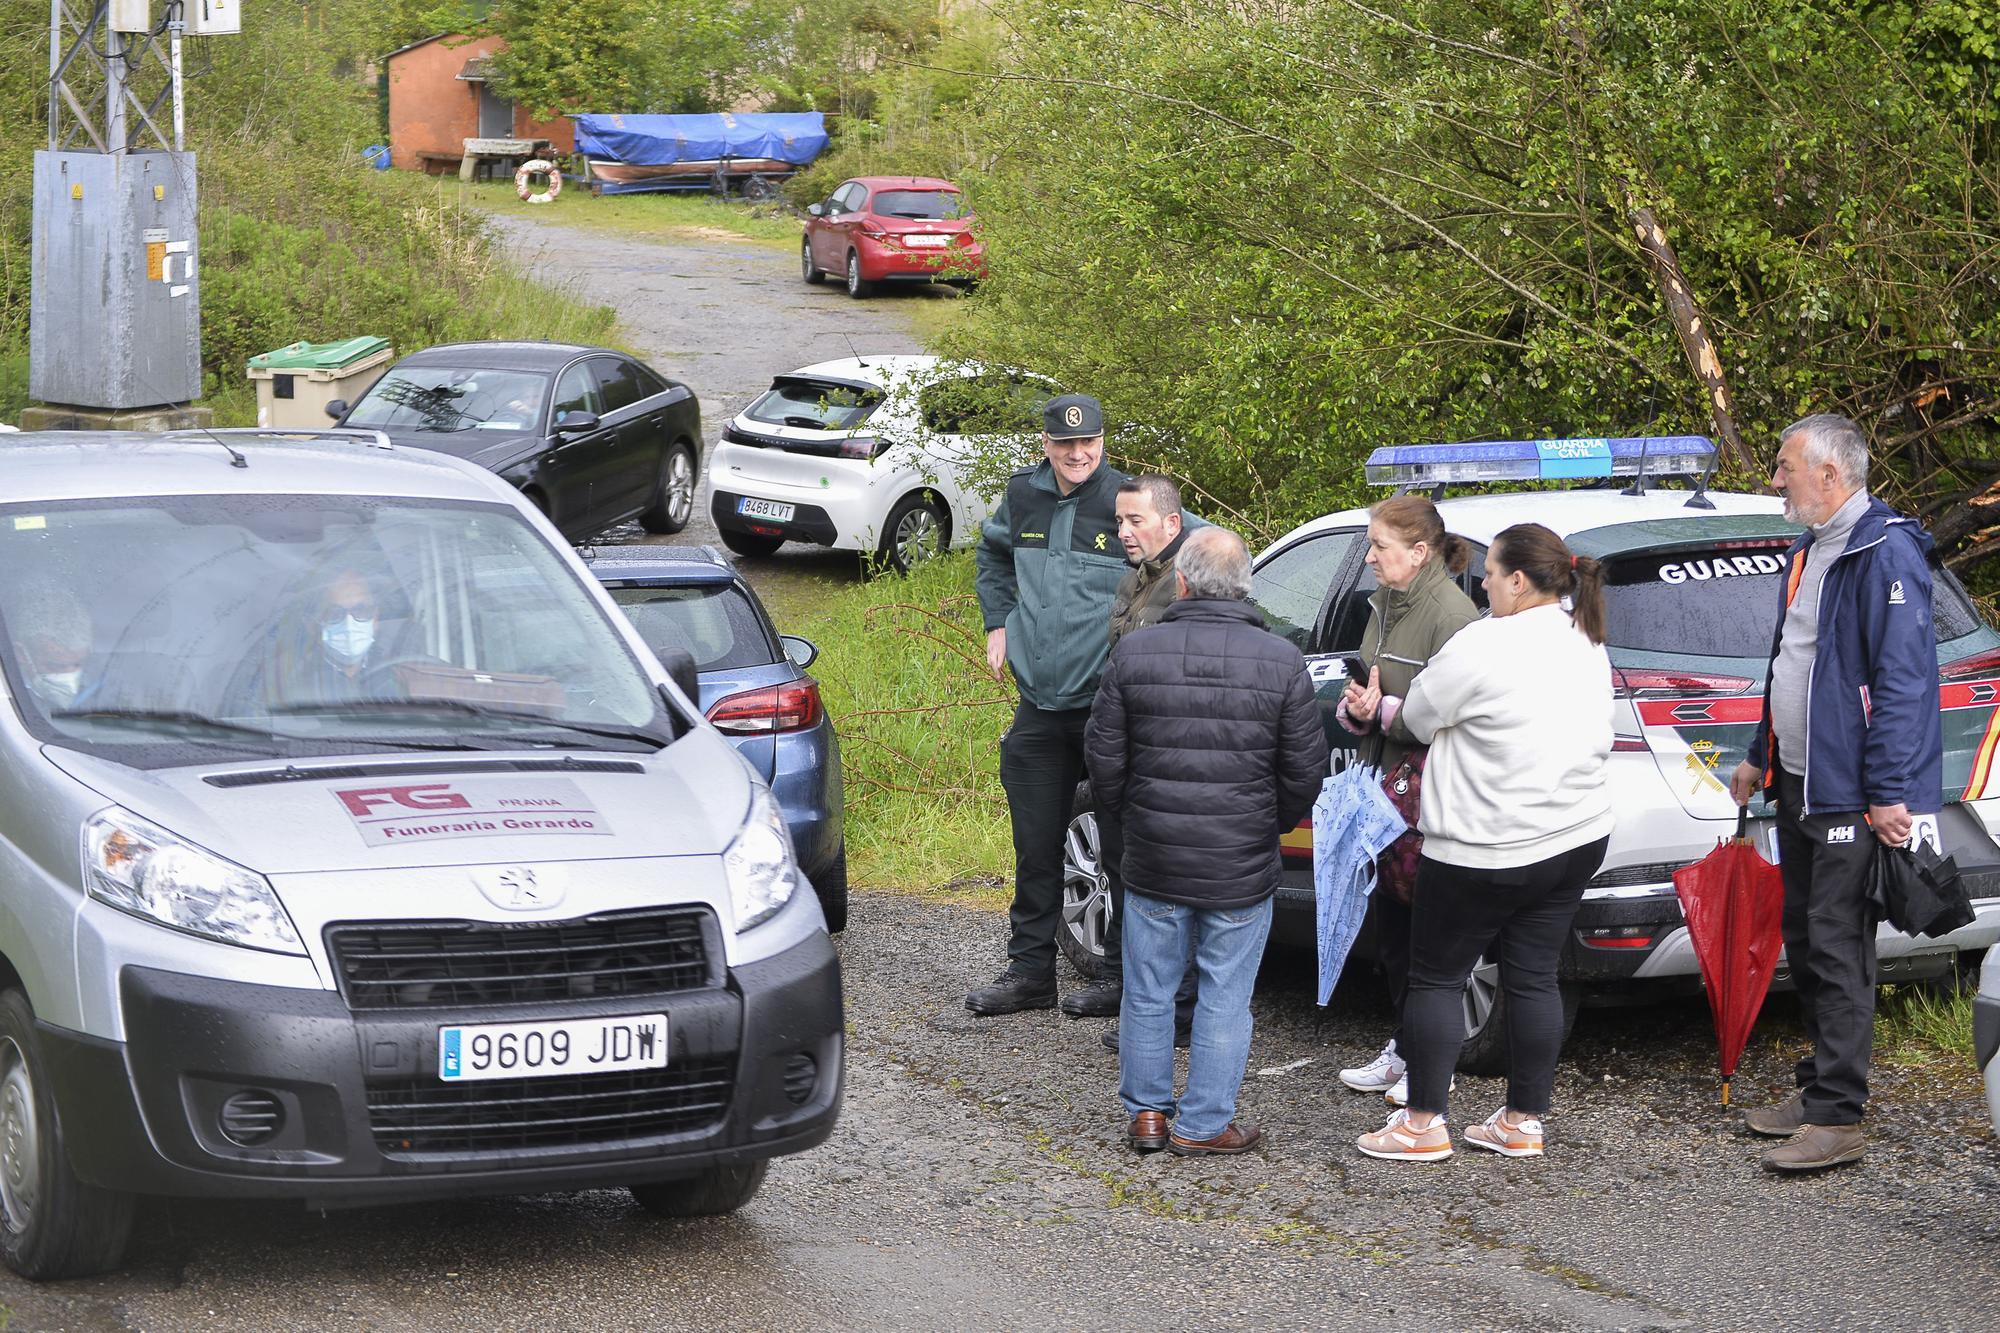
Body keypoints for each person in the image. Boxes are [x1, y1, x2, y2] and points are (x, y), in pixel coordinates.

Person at [1355, 523, 1614, 1163]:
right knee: (1532, 978)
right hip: (1574, 835)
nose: (1485, 584)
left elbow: (1416, 716)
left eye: (1492, 575)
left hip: (1484, 845)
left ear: (1518, 581)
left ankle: (1422, 1123)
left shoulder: (1483, 643)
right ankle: (1522, 1121)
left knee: (1436, 979)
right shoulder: (1587, 638)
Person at [1729, 414, 1941, 1173]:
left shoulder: (1884, 551)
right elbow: (1791, 662)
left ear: (1830, 472)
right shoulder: (1812, 548)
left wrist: (1888, 791)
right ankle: (1821, 1088)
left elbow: (1903, 683)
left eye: (1786, 466)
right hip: (1799, 781)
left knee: (1838, 942)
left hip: (1852, 791)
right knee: (1806, 936)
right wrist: (1760, 752)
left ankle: (1840, 1114)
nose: (1776, 479)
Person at [1087, 527, 1327, 1155]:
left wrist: (1135, 817)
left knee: (1148, 987)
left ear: (1183, 582)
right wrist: (1267, 825)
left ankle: (1146, 1115)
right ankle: (1203, 1124)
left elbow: (1104, 758)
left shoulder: (1136, 653)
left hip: (1155, 855)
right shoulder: (1281, 661)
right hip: (1240, 863)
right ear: (1246, 586)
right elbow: (1305, 771)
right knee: (1225, 993)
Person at [966, 394, 1137, 1016]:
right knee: (1036, 846)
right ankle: (1030, 974)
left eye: (1088, 443)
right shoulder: (1023, 496)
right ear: (1046, 444)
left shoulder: (1128, 502)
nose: (1078, 454)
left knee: (1120, 850)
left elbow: (1194, 555)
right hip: (1039, 705)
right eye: (1065, 445)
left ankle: (1120, 979)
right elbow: (991, 554)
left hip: (1107, 710)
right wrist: (997, 622)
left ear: (1102, 441)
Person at [1333, 496, 1480, 1107]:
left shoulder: (1454, 616)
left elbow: (1455, 717)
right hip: (1385, 795)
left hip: (1432, 802)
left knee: (1428, 941)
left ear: (1419, 553)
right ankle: (1403, 1049)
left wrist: (1385, 716)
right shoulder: (1385, 604)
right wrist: (1357, 710)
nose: (1368, 557)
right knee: (1393, 934)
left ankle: (1429, 1065)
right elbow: (1371, 689)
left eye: (1378, 547)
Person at [1094, 475, 1201, 1041]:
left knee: (1168, 895)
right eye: (1120, 521)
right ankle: (1141, 1001)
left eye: (1136, 521)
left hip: (1168, 759)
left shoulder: (1188, 583)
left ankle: (1172, 1016)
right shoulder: (1136, 579)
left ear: (1172, 524)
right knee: (1134, 880)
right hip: (1134, 755)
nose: (1124, 532)